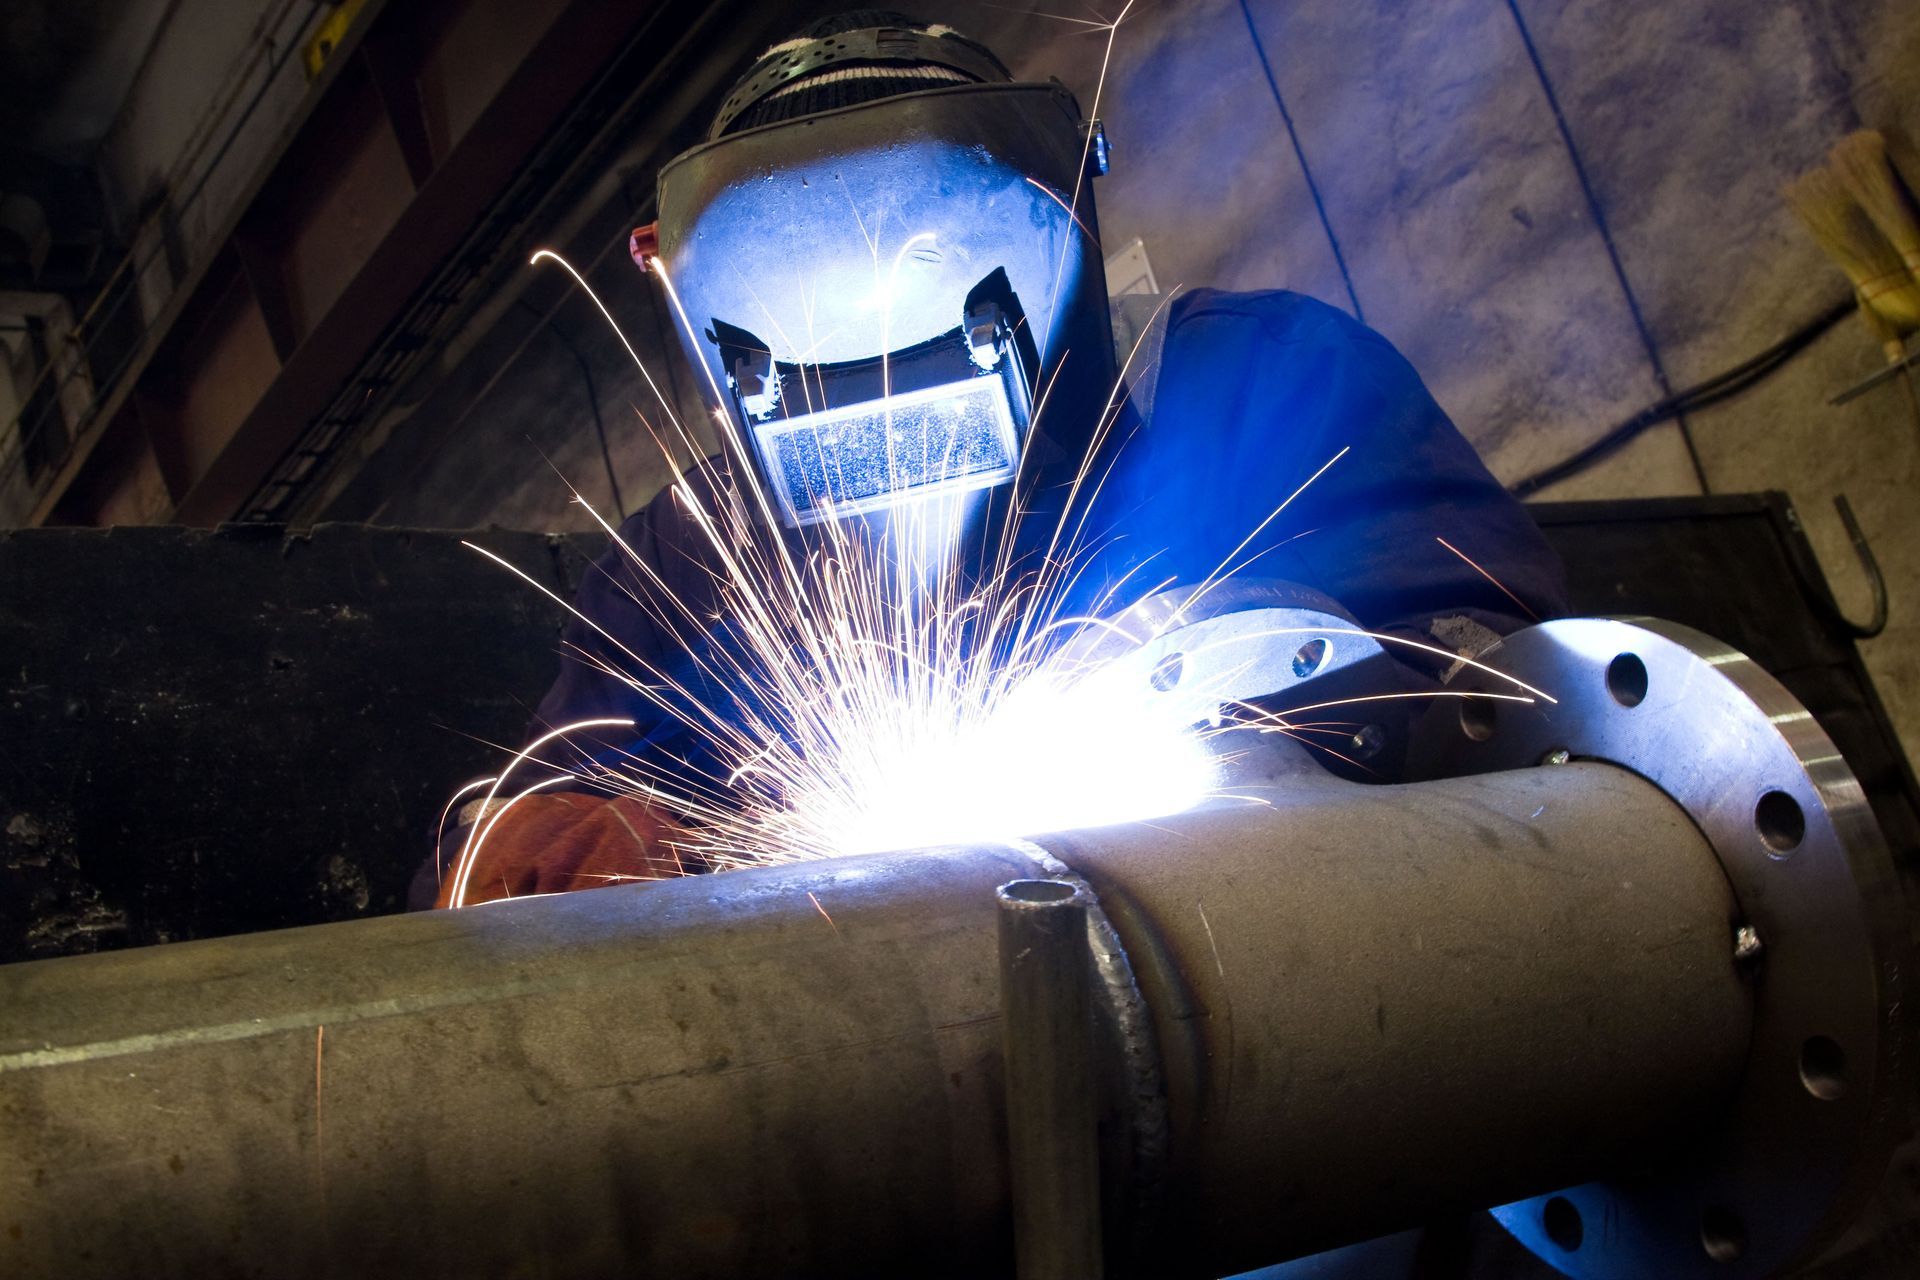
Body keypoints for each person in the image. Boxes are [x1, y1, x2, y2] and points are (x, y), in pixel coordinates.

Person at [414, 11, 1566, 910]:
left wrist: (1252, 672)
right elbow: (508, 832)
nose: (889, 413)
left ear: (1050, 220)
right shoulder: (692, 552)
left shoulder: (1251, 384)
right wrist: (526, 843)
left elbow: (1492, 680)